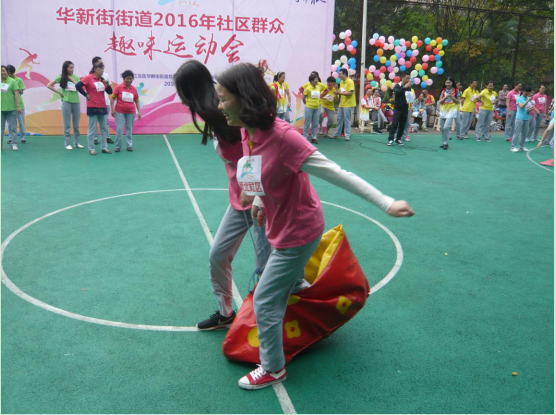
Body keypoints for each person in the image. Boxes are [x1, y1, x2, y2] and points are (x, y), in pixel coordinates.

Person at [215, 62, 414, 391]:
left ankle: (273, 368)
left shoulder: (284, 138)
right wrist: (260, 201)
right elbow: (262, 170)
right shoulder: (247, 131)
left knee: (265, 300)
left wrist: (386, 202)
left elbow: (336, 173)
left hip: (299, 232)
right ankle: (317, 309)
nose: (219, 106)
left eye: (223, 98)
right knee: (292, 287)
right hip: (280, 225)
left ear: (244, 99)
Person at [173, 60, 271, 331]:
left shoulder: (230, 111)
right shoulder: (215, 115)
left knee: (265, 266)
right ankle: (226, 312)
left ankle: (272, 325)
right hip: (241, 199)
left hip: (263, 199)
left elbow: (258, 151)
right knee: (217, 255)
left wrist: (256, 195)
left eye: (182, 92)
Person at [76, 61, 113, 155]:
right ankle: (92, 148)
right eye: (101, 69)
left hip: (102, 106)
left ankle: (104, 147)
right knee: (92, 129)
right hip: (92, 106)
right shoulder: (88, 78)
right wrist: (86, 95)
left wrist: (108, 84)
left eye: (103, 69)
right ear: (95, 69)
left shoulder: (102, 80)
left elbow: (110, 92)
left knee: (104, 128)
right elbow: (78, 85)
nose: (102, 71)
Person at [47, 61, 83, 150]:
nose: (72, 69)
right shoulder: (61, 77)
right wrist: (59, 93)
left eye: (73, 67)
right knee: (67, 124)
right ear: (66, 68)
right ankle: (67, 143)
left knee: (76, 125)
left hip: (76, 102)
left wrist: (72, 79)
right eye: (70, 68)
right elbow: (49, 85)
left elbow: (79, 87)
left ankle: (77, 143)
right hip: (66, 102)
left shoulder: (76, 77)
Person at [110, 70, 141, 152]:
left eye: (131, 79)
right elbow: (112, 98)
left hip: (131, 112)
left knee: (129, 129)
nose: (129, 80)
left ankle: (129, 145)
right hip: (119, 111)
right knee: (119, 129)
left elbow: (137, 101)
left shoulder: (134, 89)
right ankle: (118, 146)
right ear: (124, 78)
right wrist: (112, 109)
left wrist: (139, 111)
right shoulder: (118, 87)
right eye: (127, 78)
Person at [90, 57, 114, 145]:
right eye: (100, 63)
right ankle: (94, 138)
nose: (102, 64)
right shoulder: (90, 76)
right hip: (95, 103)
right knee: (94, 121)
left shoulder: (106, 75)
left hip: (105, 102)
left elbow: (109, 89)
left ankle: (107, 137)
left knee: (105, 121)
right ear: (95, 65)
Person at [387, 74, 412, 146]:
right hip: (397, 108)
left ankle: (398, 139)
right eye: (407, 78)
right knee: (394, 124)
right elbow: (397, 93)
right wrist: (404, 87)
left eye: (409, 78)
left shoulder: (409, 87)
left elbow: (408, 96)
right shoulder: (397, 85)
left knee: (402, 124)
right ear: (402, 78)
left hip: (405, 108)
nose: (408, 80)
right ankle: (391, 139)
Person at [511, 86, 538, 152]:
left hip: (526, 118)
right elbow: (521, 106)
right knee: (517, 133)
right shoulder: (519, 98)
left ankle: (522, 146)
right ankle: (513, 147)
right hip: (519, 118)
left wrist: (531, 109)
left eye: (528, 92)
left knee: (524, 133)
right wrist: (528, 100)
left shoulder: (528, 98)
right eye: (526, 91)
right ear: (523, 91)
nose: (527, 93)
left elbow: (527, 109)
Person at [1, 65, 22, 150]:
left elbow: (17, 95)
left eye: (3, 70)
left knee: (12, 127)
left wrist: (18, 106)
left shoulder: (13, 81)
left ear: (7, 72)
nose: (2, 72)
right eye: (0, 71)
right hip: (1, 109)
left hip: (11, 109)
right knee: (1, 128)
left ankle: (14, 143)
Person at [302, 74, 327, 144]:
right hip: (309, 108)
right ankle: (305, 137)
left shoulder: (318, 88)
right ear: (312, 81)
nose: (317, 81)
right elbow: (303, 98)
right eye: (316, 79)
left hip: (317, 108)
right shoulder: (308, 88)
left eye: (317, 79)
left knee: (315, 123)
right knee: (307, 123)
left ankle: (314, 137)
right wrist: (307, 104)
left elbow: (323, 93)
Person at [332, 68, 356, 141]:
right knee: (339, 119)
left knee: (347, 120)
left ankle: (347, 135)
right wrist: (336, 89)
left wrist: (339, 92)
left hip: (348, 104)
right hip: (341, 103)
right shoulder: (341, 82)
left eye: (340, 74)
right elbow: (340, 92)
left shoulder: (350, 81)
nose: (339, 75)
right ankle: (337, 134)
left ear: (345, 74)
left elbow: (350, 93)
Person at [6, 65, 26, 143]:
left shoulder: (19, 80)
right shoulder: (5, 80)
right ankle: (11, 138)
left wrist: (16, 87)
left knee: (21, 122)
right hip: (9, 105)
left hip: (19, 105)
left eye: (9, 73)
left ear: (12, 73)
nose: (8, 75)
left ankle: (23, 138)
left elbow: (22, 92)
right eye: (7, 73)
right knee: (11, 123)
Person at [438, 77, 460, 150]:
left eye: (449, 82)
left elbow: (458, 101)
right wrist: (446, 97)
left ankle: (446, 143)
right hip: (443, 110)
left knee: (446, 127)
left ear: (452, 83)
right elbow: (440, 101)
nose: (447, 84)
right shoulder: (443, 91)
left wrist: (452, 97)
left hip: (452, 109)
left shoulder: (456, 90)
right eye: (446, 82)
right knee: (442, 128)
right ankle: (444, 143)